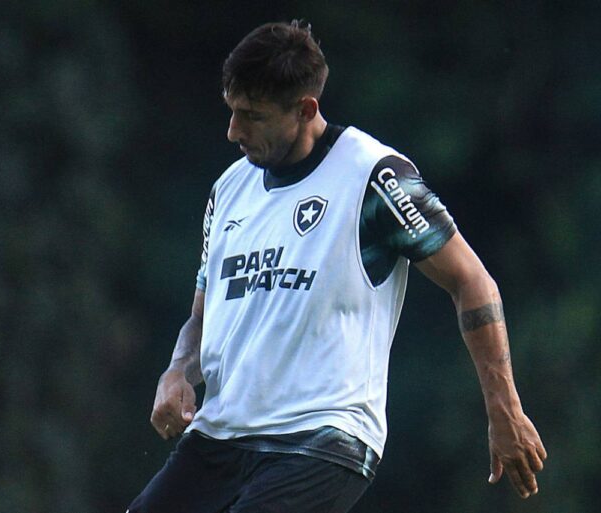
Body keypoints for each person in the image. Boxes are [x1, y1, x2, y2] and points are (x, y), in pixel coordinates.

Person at [127, 20, 546, 513]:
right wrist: (177, 371)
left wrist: (504, 410)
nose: (232, 131)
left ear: (306, 110)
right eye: (231, 111)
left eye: (251, 116)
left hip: (323, 439)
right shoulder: (228, 190)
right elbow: (203, 317)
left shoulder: (374, 177)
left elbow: (473, 283)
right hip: (222, 435)